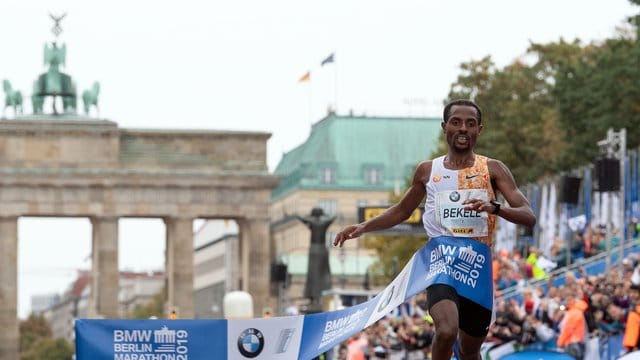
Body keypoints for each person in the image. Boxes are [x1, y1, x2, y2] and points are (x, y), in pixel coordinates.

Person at [334, 99, 536, 360]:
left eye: (470, 124)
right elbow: (401, 211)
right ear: (445, 127)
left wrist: (495, 208)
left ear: (479, 130)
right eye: (456, 122)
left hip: (476, 266)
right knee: (447, 330)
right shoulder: (428, 171)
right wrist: (363, 227)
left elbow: (528, 215)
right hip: (441, 262)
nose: (463, 128)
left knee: (469, 352)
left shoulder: (493, 169)